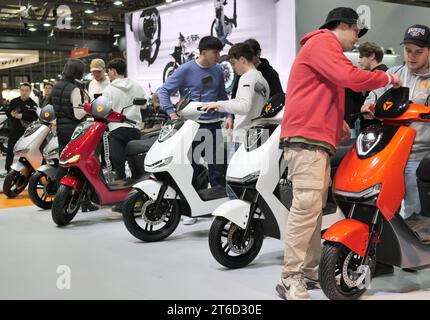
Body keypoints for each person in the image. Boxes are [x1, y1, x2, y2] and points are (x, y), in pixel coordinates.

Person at [276, 7, 401, 300]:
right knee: (306, 207)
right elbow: (350, 78)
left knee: (314, 210)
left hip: (315, 139)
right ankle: (289, 277)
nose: (357, 39)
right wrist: (387, 79)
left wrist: (338, 122)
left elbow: (318, 90)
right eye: (357, 31)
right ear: (345, 25)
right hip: (306, 141)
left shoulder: (322, 49)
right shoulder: (322, 43)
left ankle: (308, 271)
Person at [157, 35, 231, 225]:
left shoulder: (218, 70)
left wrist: (229, 115)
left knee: (217, 168)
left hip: (214, 126)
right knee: (190, 167)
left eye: (219, 52)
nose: (218, 55)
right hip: (192, 127)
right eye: (215, 52)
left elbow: (222, 95)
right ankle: (190, 209)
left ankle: (220, 210)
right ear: (204, 52)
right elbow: (163, 91)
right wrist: (171, 113)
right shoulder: (186, 69)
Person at [361, 25, 430, 222]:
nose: (412, 56)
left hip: (418, 155)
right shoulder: (393, 73)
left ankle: (414, 250)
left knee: (413, 214)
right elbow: (374, 94)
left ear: (429, 52)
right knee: (383, 208)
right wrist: (369, 105)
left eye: (418, 52)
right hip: (388, 153)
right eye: (408, 51)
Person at [51, 59, 96, 212]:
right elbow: (78, 114)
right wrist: (88, 108)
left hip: (60, 129)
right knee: (82, 165)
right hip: (73, 130)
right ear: (77, 72)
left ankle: (59, 197)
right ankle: (85, 201)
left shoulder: (56, 86)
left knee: (63, 163)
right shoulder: (74, 89)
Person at [102, 58, 143, 181]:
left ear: (113, 71)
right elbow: (144, 105)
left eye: (108, 71)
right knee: (135, 164)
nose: (108, 74)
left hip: (116, 129)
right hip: (135, 128)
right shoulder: (136, 86)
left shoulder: (108, 89)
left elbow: (104, 110)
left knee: (118, 165)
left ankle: (120, 194)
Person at [344, 42, 388, 128]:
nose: (359, 61)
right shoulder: (381, 74)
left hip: (375, 126)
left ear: (372, 56)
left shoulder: (380, 75)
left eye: (361, 57)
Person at [5, 82, 38, 172]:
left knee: (25, 152)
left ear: (29, 91)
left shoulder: (32, 104)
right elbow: (8, 112)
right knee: (10, 150)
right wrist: (11, 114)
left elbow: (35, 117)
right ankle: (8, 169)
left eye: (26, 91)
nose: (24, 92)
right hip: (14, 130)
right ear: (20, 90)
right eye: (22, 90)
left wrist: (22, 116)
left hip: (26, 132)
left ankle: (26, 170)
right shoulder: (14, 101)